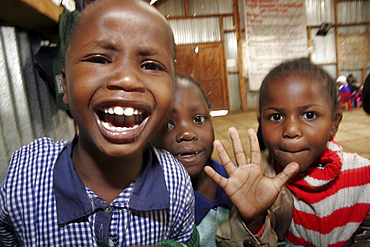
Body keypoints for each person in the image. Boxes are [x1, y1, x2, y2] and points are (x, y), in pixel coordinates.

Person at [0, 0, 198, 246]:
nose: (126, 79)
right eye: (99, 59)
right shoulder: (26, 175)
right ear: (65, 86)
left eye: (151, 65)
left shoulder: (175, 181)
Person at [206, 58, 370, 246]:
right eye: (276, 117)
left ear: (334, 123)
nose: (291, 130)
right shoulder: (258, 180)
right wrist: (252, 220)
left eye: (309, 115)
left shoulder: (363, 176)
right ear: (261, 123)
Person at [152, 74, 233, 247]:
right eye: (168, 124)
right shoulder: (151, 212)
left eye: (198, 119)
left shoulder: (234, 178)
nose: (187, 133)